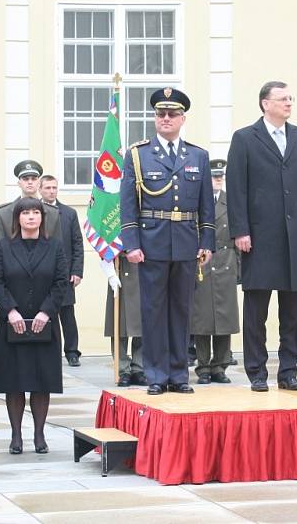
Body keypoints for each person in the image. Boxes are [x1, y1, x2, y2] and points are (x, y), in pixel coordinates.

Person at [226, 80, 297, 392]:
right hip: (260, 238)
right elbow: (236, 188)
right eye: (282, 99)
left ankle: (288, 370)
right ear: (265, 103)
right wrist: (240, 230)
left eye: (290, 98)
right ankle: (256, 371)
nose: (289, 103)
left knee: (293, 311)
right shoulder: (244, 138)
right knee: (256, 310)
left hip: (296, 239)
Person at [120, 87, 215, 396]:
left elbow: (206, 206)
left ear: (182, 119)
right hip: (151, 242)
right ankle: (156, 374)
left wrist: (208, 241)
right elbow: (128, 204)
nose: (165, 119)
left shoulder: (197, 156)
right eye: (160, 114)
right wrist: (131, 243)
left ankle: (179, 374)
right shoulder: (138, 154)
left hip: (187, 242)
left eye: (172, 114)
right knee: (153, 311)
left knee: (181, 310)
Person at [0, 198, 68, 454]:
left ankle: (39, 434)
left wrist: (46, 311)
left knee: (41, 382)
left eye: (36, 212)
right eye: (26, 213)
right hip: (13, 325)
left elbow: (60, 282)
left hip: (44, 325)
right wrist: (9, 310)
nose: (31, 217)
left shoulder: (54, 247)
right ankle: (15, 436)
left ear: (42, 218)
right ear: (18, 218)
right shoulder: (5, 247)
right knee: (14, 382)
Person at [190, 160, 240, 384]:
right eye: (214, 176)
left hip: (226, 262)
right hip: (201, 263)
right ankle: (203, 367)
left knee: (224, 318)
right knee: (202, 320)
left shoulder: (232, 202)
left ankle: (220, 366)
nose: (218, 179)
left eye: (221, 176)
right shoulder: (197, 202)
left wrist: (238, 268)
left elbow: (240, 236)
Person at [39, 175, 84, 367]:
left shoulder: (69, 213)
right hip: (41, 273)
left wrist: (77, 270)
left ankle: (72, 351)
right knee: (44, 313)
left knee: (67, 313)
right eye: (47, 188)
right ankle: (47, 350)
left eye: (54, 188)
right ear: (40, 190)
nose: (51, 191)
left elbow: (77, 243)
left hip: (64, 273)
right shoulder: (33, 212)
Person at [101, 256, 146, 387]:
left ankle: (139, 368)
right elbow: (107, 244)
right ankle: (123, 370)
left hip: (142, 265)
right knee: (119, 325)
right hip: (119, 267)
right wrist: (110, 274)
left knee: (143, 324)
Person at [0, 160, 60, 242]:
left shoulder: (53, 212)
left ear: (39, 183)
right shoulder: (3, 213)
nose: (30, 182)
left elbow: (58, 248)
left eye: (34, 179)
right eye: (25, 179)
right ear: (19, 183)